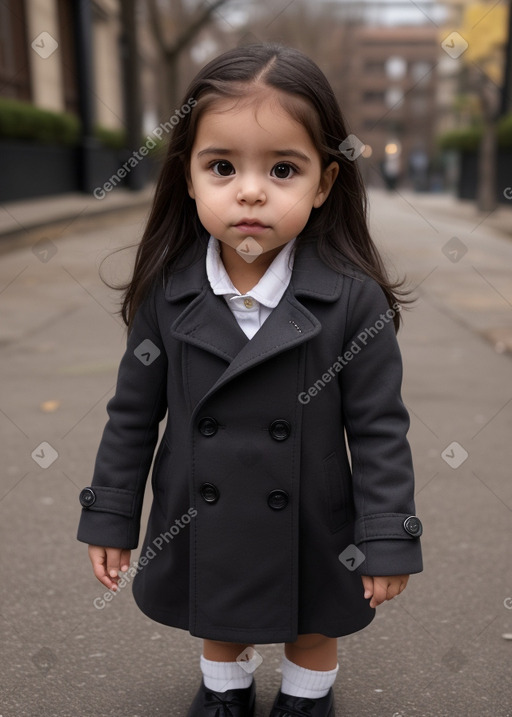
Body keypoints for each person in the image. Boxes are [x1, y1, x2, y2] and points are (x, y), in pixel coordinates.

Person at [77, 43, 423, 717]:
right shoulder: (166, 296)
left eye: (284, 168)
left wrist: (388, 533)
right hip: (199, 510)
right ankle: (225, 692)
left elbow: (381, 426)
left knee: (315, 616)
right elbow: (130, 416)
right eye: (223, 166)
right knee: (221, 601)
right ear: (187, 178)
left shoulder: (352, 301)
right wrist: (111, 513)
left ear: (324, 184)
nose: (251, 190)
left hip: (314, 510)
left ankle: (305, 699)